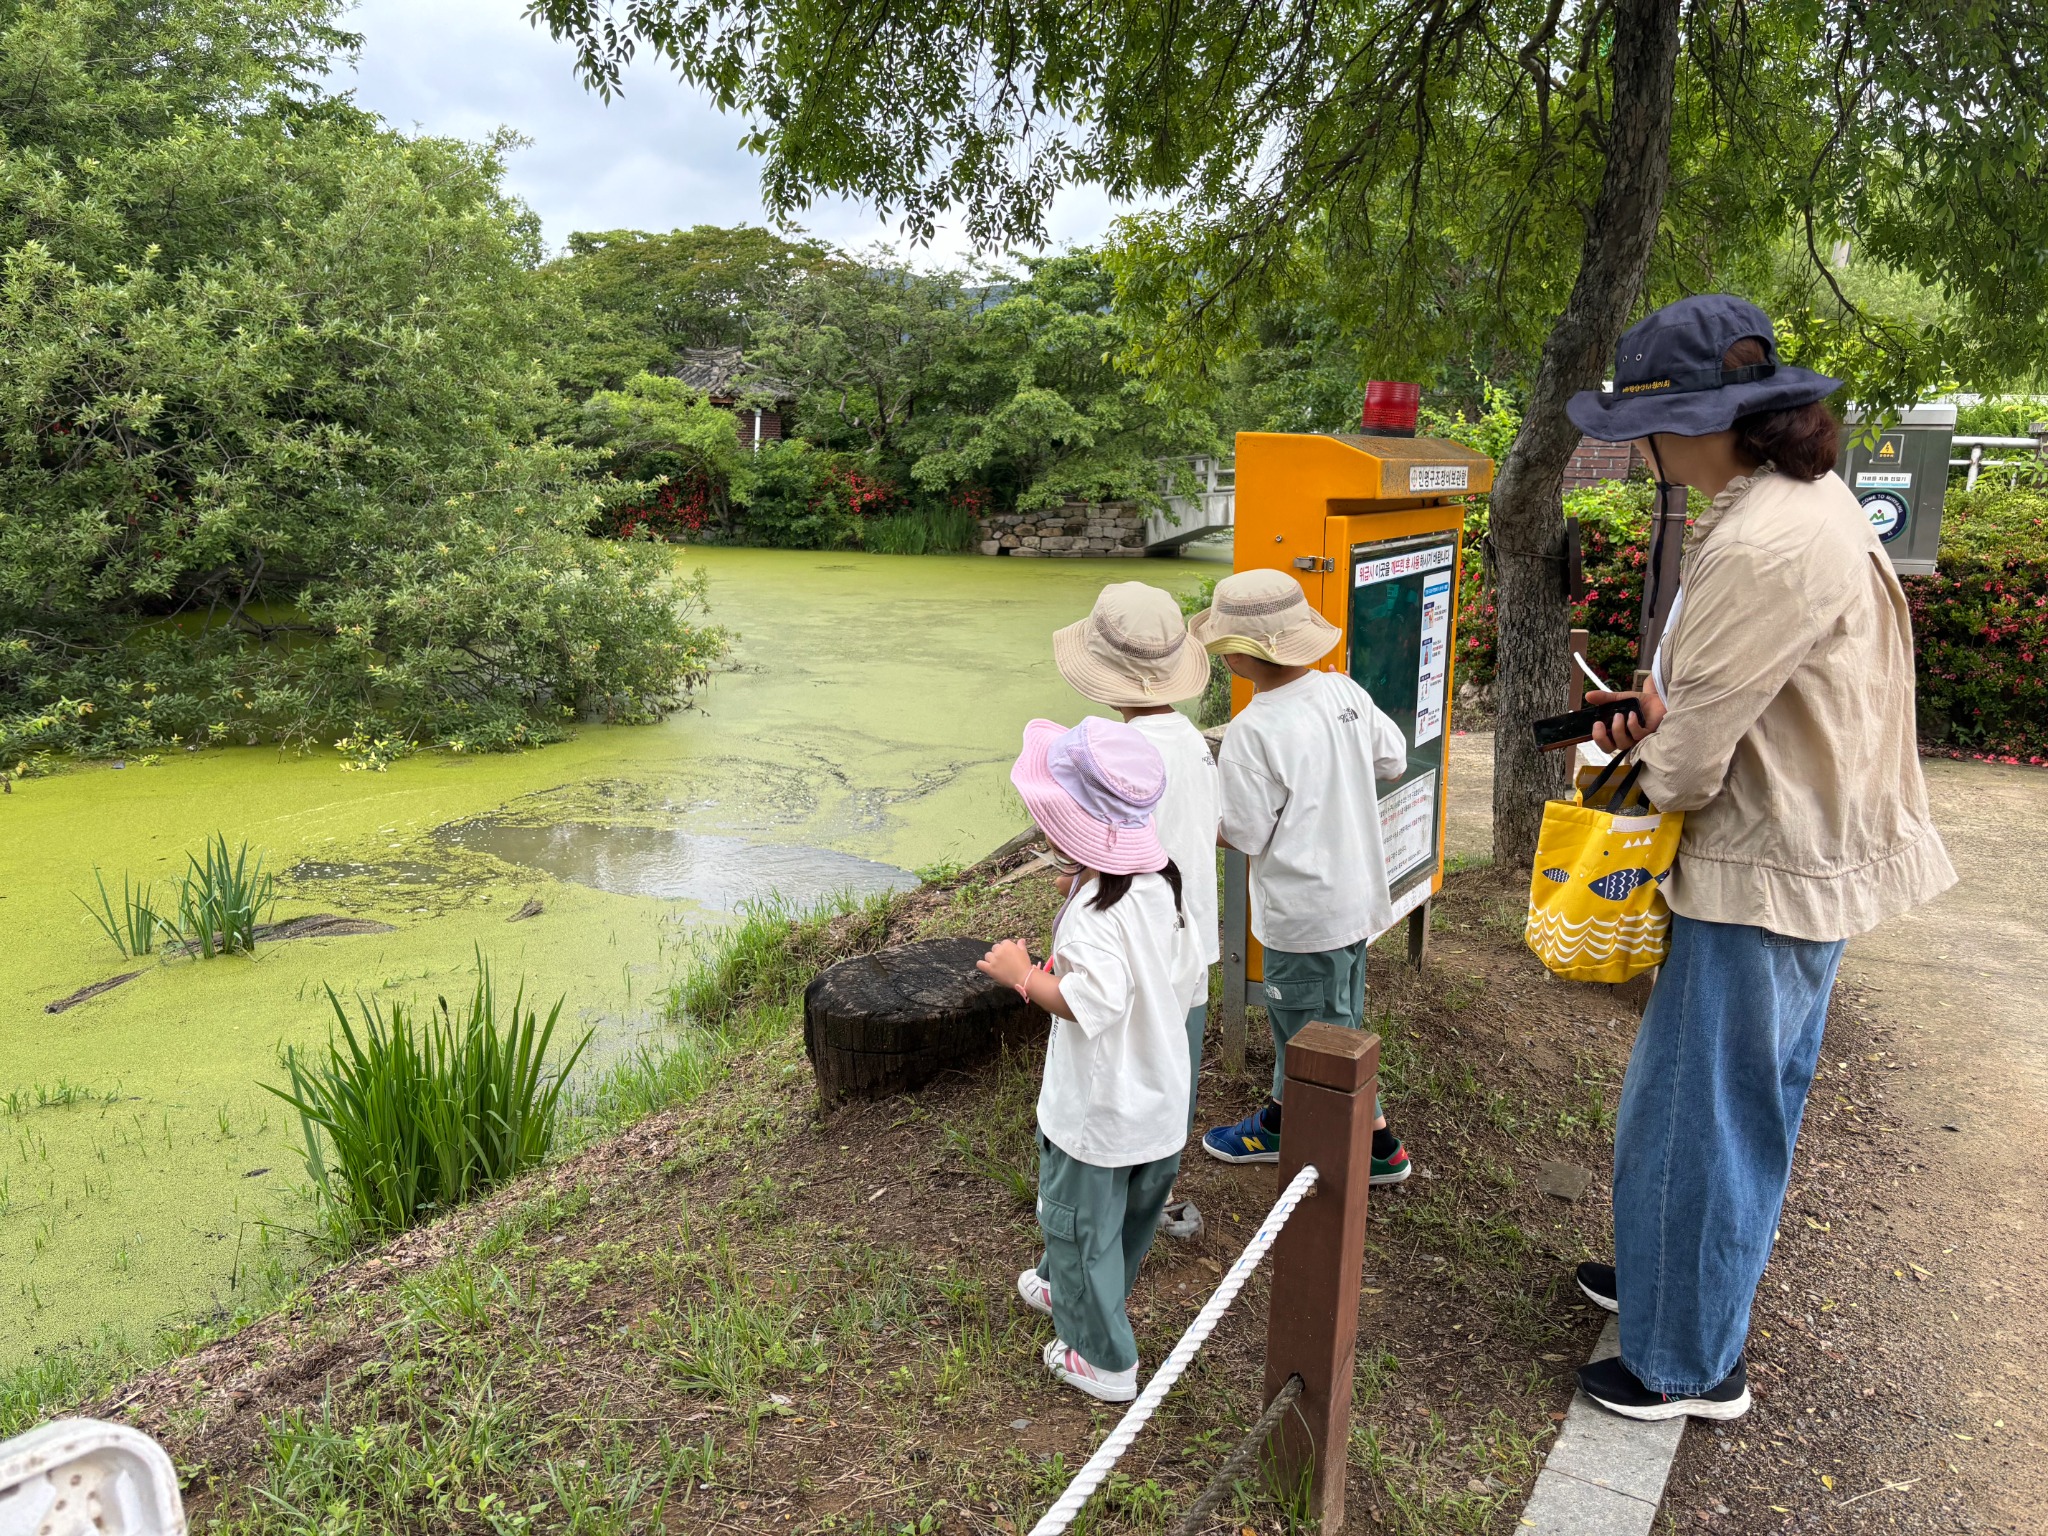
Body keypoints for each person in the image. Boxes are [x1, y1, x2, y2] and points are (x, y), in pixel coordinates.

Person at [1565, 293, 1956, 1422]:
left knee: (1697, 1110)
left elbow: (1687, 766)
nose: (1640, 448)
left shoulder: (1758, 544)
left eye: (1645, 425)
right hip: (1806, 848)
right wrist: (1671, 716)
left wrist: (1637, 745)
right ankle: (1671, 1274)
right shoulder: (1804, 501)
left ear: (1694, 421)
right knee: (1737, 1100)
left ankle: (1683, 1361)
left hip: (1761, 863)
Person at [976, 716, 1203, 1403]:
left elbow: (1089, 1003)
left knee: (1076, 1223)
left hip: (1100, 1114)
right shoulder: (1160, 882)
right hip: (1157, 1100)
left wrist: (1022, 975)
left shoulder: (1094, 918)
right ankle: (1068, 1287)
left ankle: (1102, 1357)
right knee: (1123, 1222)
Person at [1184, 569, 1413, 1184]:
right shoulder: (1342, 691)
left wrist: (1194, 820)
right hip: (1357, 897)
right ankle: (1288, 1121)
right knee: (1329, 1022)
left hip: (1306, 912)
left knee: (1317, 1036)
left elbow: (1246, 834)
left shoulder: (1252, 731)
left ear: (1237, 656)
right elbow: (1392, 759)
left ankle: (1371, 1148)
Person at [1053, 582, 1220, 1236]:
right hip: (1186, 939)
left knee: (1112, 1076)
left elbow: (1107, 843)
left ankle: (1095, 1218)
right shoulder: (1192, 742)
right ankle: (1157, 1194)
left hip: (1128, 943)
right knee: (1171, 1072)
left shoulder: (1120, 754)